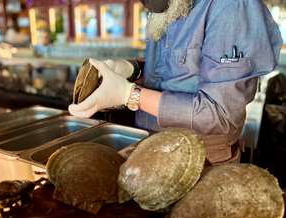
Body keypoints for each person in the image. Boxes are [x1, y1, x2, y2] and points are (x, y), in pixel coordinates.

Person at [69, 0, 283, 165]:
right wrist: (133, 69)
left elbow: (219, 114)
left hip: (201, 161)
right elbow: (179, 68)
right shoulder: (171, 6)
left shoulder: (231, 7)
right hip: (150, 147)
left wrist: (130, 94)